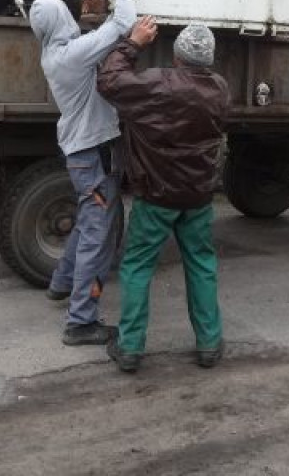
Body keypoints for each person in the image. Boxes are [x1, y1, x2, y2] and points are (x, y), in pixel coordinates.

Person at [96, 19, 230, 373]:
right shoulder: (220, 88)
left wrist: (133, 43)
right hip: (198, 197)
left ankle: (130, 349)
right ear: (209, 59)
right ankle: (209, 344)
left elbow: (108, 81)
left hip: (156, 195)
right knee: (202, 266)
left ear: (177, 55)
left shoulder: (158, 83)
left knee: (138, 267)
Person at [28, 0, 139, 346]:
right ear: (61, 20)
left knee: (87, 221)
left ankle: (60, 284)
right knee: (97, 233)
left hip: (82, 151)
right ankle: (81, 322)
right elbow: (125, 22)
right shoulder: (72, 55)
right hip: (91, 154)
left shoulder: (54, 52)